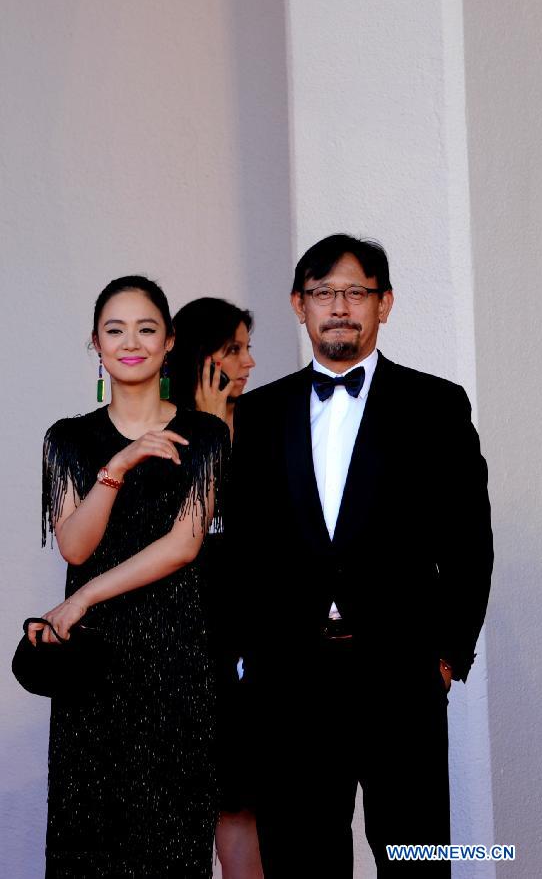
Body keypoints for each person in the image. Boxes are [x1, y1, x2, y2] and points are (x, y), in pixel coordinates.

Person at [227, 234, 493, 877]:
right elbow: (242, 546)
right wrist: (247, 656)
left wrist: (448, 656)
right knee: (300, 855)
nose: (339, 306)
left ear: (385, 304)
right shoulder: (257, 414)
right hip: (289, 678)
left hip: (402, 673)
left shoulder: (437, 404)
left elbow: (469, 539)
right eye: (322, 293)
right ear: (299, 305)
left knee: (417, 853)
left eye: (355, 292)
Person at [28, 276, 230, 878]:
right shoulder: (67, 439)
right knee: (89, 842)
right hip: (93, 672)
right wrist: (118, 464)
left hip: (175, 668)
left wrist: (83, 597)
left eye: (146, 328)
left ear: (170, 342)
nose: (130, 342)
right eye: (115, 330)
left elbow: (183, 545)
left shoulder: (207, 435)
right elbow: (76, 543)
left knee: (172, 845)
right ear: (95, 343)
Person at [170, 298, 263, 879]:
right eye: (236, 349)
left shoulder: (265, 425)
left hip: (249, 650)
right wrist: (207, 437)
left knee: (242, 807)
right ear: (203, 358)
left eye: (249, 347)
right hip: (181, 648)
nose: (250, 363)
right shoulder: (165, 433)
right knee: (177, 812)